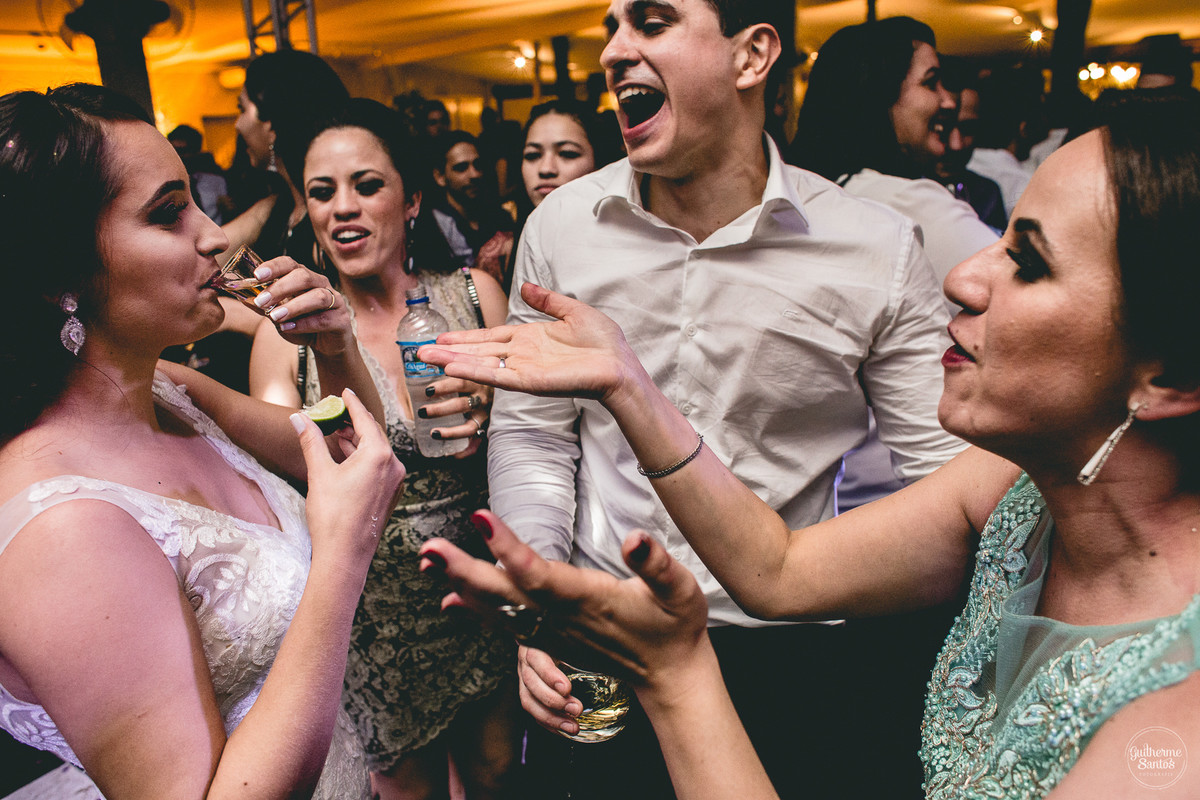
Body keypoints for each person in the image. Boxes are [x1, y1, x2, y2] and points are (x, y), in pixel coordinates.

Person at [419, 89, 1200, 800]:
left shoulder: (1176, 730)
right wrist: (628, 385)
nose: (964, 276)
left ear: (1165, 377)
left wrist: (678, 672)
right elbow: (778, 569)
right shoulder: (1005, 491)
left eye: (1026, 260)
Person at [487, 1, 962, 797]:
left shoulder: (872, 246)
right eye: (611, 26)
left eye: (651, 20)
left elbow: (948, 488)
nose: (613, 50)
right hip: (606, 641)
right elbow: (536, 437)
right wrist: (540, 595)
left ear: (753, 56)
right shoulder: (562, 227)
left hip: (795, 657)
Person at [0, 83, 403, 799]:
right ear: (61, 272)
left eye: (195, 201)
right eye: (167, 214)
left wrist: (335, 344)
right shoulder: (60, 531)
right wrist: (342, 555)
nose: (216, 236)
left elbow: (348, 452)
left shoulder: (174, 392)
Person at [248, 99, 518, 800]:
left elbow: (535, 450)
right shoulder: (284, 338)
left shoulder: (473, 294)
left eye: (366, 185)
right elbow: (296, 471)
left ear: (412, 199)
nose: (343, 208)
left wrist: (498, 412)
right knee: (407, 792)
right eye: (321, 191)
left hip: (474, 583)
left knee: (496, 770)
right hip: (374, 614)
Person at [431, 131, 515, 287]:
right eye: (461, 168)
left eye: (477, 165)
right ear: (440, 177)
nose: (474, 174)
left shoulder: (500, 217)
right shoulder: (433, 227)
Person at [933, 58, 1008, 232]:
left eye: (968, 129)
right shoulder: (896, 194)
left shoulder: (986, 194)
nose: (956, 144)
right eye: (943, 127)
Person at [168, 123, 232, 225]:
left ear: (196, 152)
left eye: (183, 151)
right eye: (174, 151)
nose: (179, 157)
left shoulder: (216, 181)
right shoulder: (166, 185)